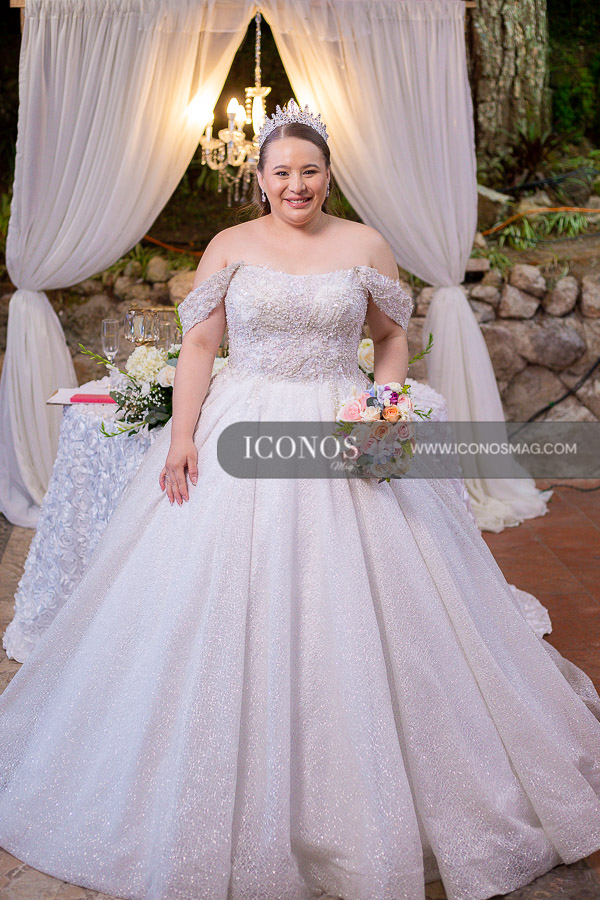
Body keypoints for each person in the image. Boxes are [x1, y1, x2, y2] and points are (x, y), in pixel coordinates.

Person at [0, 99, 599, 900]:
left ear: (327, 175)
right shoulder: (229, 246)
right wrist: (181, 438)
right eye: (281, 172)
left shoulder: (365, 243)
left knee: (373, 599)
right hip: (240, 427)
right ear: (259, 177)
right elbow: (201, 345)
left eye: (309, 171)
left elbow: (392, 340)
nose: (296, 185)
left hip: (339, 425)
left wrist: (382, 415)